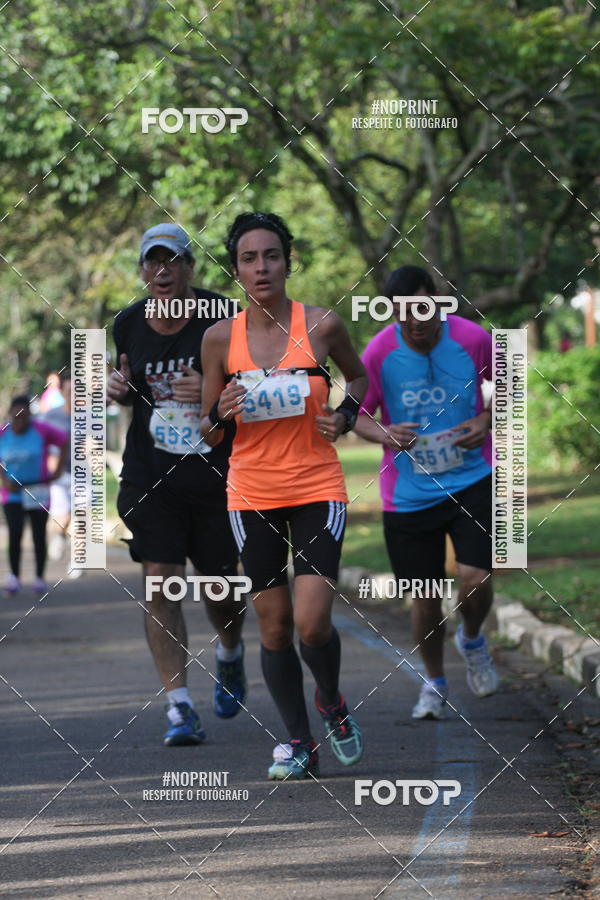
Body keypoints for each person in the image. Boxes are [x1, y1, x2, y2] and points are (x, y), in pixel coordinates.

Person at [200, 211, 368, 780]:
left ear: (288, 261)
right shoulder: (220, 338)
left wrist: (343, 418)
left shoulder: (321, 324)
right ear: (236, 271)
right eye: (249, 259)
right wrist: (218, 412)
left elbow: (360, 378)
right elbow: (206, 427)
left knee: (311, 623)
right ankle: (299, 741)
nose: (261, 267)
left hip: (317, 484)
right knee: (272, 627)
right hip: (251, 492)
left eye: (271, 255)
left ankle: (331, 701)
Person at [107, 223, 246, 747]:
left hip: (214, 472)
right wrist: (120, 390)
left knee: (219, 584)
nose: (161, 271)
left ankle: (230, 652)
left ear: (191, 267)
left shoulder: (225, 317)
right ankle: (179, 707)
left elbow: (253, 380)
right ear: (143, 270)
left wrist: (214, 388)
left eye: (173, 261)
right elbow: (130, 386)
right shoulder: (128, 323)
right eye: (152, 261)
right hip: (151, 474)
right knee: (161, 579)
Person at [354, 265, 499, 720]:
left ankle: (472, 639)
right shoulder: (378, 352)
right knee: (425, 595)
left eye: (423, 311)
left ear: (438, 298)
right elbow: (355, 416)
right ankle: (434, 681)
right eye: (404, 318)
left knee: (477, 579)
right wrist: (383, 433)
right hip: (409, 495)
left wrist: (486, 419)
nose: (416, 324)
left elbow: (513, 384)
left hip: (472, 479)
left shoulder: (473, 338)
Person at [0, 395, 68, 595]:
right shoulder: (3, 432)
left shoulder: (41, 430)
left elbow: (64, 440)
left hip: (37, 489)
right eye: (17, 415)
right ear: (11, 414)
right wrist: (4, 480)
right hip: (12, 492)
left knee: (39, 535)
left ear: (30, 415)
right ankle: (14, 577)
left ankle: (39, 577)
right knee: (15, 534)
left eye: (24, 415)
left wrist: (57, 471)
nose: (20, 419)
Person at [43, 371, 82, 579]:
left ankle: (77, 561)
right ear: (63, 392)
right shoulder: (51, 416)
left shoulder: (89, 415)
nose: (74, 395)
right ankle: (58, 535)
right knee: (63, 515)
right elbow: (42, 442)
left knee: (83, 515)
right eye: (70, 391)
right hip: (59, 473)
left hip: (82, 473)